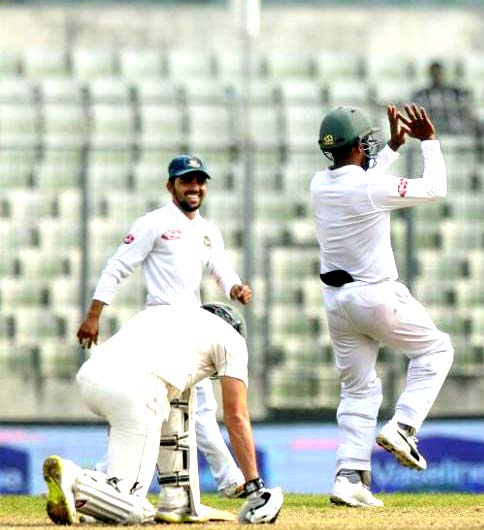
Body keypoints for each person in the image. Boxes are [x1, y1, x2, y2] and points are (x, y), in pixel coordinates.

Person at [75, 154, 252, 515]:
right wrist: (94, 315)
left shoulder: (208, 230)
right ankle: (227, 480)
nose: (195, 188)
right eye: (186, 181)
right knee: (181, 413)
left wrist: (234, 288)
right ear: (170, 185)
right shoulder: (154, 223)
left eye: (200, 181)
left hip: (195, 328)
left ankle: (182, 495)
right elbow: (118, 266)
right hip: (161, 326)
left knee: (197, 412)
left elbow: (221, 266)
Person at [311, 104, 454, 508]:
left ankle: (349, 476)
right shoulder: (370, 188)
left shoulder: (318, 184)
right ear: (358, 146)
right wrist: (429, 143)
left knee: (358, 389)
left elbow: (365, 181)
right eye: (367, 143)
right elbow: (434, 188)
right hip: (375, 297)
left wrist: (391, 148)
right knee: (437, 349)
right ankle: (405, 425)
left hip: (337, 304)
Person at [43, 303, 283, 526]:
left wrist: (186, 505)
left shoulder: (165, 318)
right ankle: (74, 478)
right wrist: (254, 486)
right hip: (138, 390)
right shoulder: (232, 338)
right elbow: (236, 415)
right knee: (139, 510)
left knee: (117, 490)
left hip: (92, 379)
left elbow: (172, 408)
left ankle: (167, 502)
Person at [412, 61, 477, 136]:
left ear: (442, 74)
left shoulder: (455, 91)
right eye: (434, 74)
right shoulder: (422, 93)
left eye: (438, 73)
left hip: (452, 126)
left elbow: (467, 101)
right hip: (433, 126)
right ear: (430, 75)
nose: (436, 76)